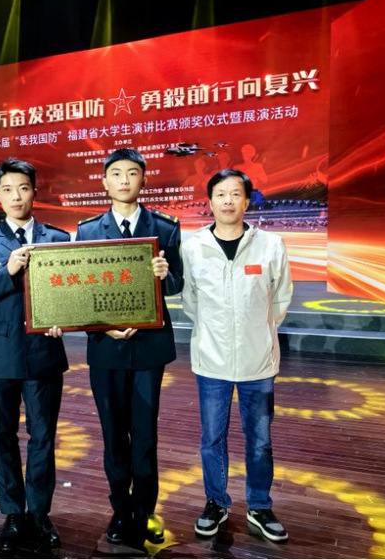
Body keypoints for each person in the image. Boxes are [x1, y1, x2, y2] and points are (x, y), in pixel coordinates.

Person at [75, 148, 183, 550]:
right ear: (104, 182)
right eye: (116, 173)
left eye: (132, 173)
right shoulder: (88, 231)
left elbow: (178, 285)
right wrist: (105, 327)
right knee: (112, 434)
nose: (124, 180)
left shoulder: (165, 228)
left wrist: (165, 274)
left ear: (144, 179)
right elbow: (80, 293)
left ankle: (145, 511)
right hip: (106, 349)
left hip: (149, 349)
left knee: (145, 436)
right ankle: (120, 510)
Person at [0, 158, 68, 552]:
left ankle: (39, 512)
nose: (16, 196)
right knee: (2, 437)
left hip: (43, 353)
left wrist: (64, 318)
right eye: (7, 190)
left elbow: (71, 292)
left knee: (43, 437)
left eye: (23, 188)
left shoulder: (58, 239)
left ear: (34, 192)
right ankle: (12, 514)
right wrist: (5, 271)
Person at [181, 169, 292, 542]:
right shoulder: (193, 246)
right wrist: (214, 331)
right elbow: (191, 301)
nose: (227, 201)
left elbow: (281, 298)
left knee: (260, 440)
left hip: (257, 362)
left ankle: (259, 505)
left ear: (247, 201)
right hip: (210, 360)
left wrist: (257, 330)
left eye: (235, 194)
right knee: (212, 438)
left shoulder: (270, 245)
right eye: (220, 194)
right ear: (210, 201)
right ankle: (216, 502)